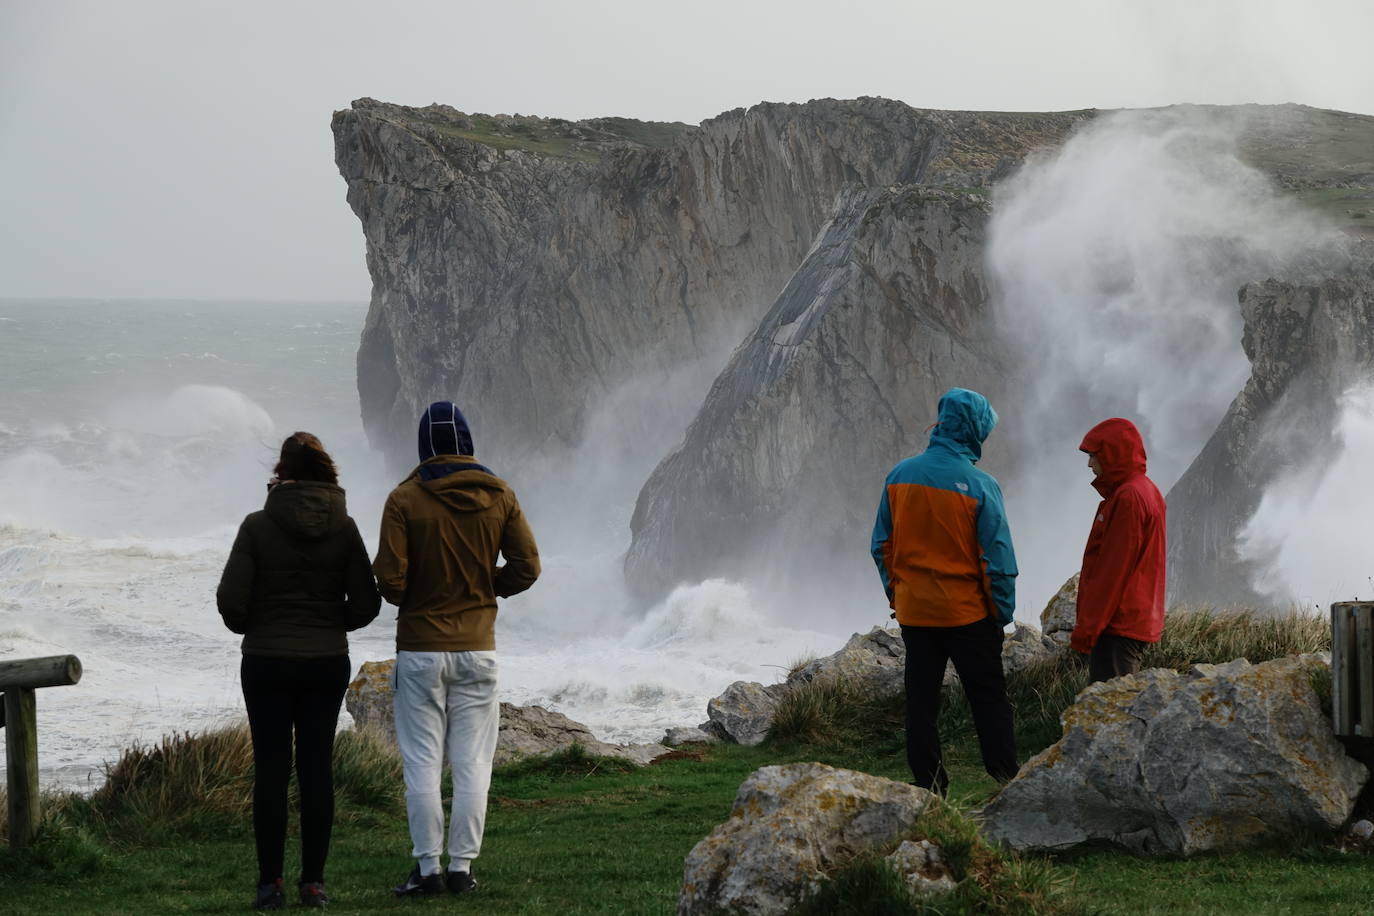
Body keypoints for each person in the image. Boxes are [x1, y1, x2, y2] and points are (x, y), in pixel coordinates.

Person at [374, 401, 540, 897]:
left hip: (421, 650)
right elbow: (527, 567)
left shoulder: (403, 499)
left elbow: (389, 579)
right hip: (478, 649)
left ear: (424, 446)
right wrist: (486, 587)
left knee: (422, 763)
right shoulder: (501, 495)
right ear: (467, 443)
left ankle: (427, 870)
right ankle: (462, 869)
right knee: (473, 765)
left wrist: (421, 591)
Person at [217, 432, 381, 910]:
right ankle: (314, 883)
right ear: (327, 472)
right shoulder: (344, 527)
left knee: (270, 771)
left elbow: (231, 601)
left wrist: (253, 625)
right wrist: (333, 623)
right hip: (326, 662)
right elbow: (367, 603)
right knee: (316, 769)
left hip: (266, 662)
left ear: (281, 473)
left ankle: (270, 885)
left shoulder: (256, 526)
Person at [870, 388, 1018, 794]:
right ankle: (1006, 780)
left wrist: (897, 596)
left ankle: (929, 787)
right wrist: (1000, 615)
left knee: (921, 705)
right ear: (975, 431)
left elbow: (881, 545)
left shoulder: (900, 475)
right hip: (968, 614)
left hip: (916, 613)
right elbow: (998, 562)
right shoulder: (981, 485)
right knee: (988, 699)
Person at [1072, 417, 1167, 683]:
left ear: (1112, 454)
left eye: (1094, 456)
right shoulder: (1145, 490)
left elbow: (1113, 569)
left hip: (1119, 624)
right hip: (1131, 620)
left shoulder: (1128, 497)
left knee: (1110, 710)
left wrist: (1087, 630)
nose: (1090, 464)